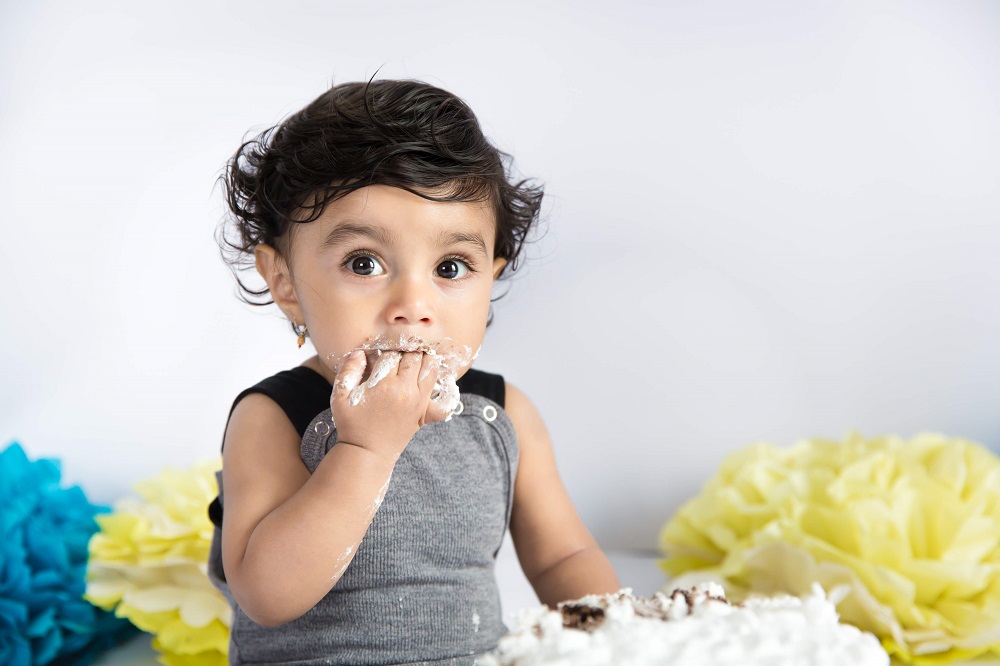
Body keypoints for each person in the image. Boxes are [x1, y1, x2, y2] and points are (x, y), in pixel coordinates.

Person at [207, 79, 621, 665]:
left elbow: (562, 558)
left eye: (451, 267)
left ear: (490, 278)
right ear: (285, 282)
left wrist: (629, 635)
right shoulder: (274, 416)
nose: (413, 303)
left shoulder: (502, 415)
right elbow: (268, 594)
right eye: (365, 262)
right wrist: (365, 449)